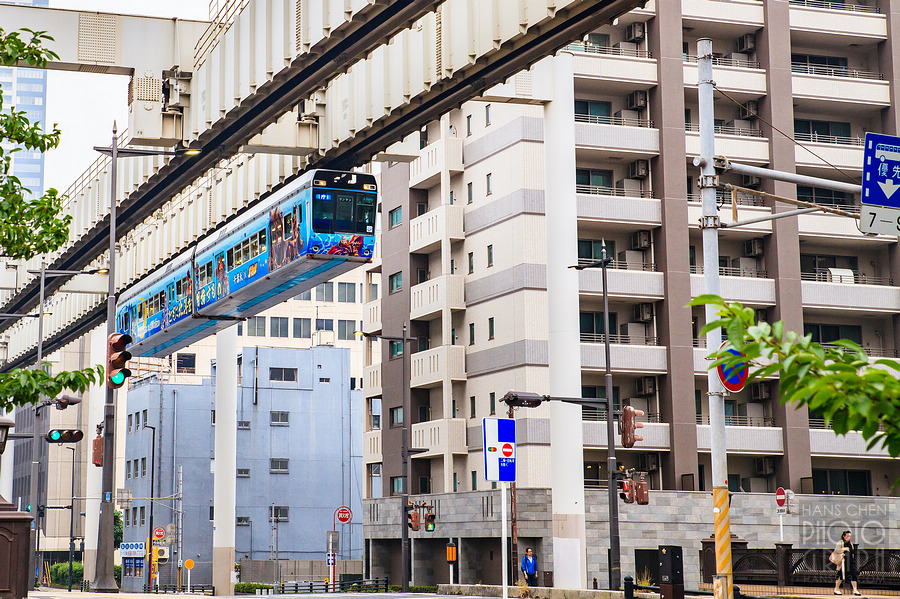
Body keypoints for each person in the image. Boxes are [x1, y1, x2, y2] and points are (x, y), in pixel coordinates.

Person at [830, 530, 861, 596]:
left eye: (850, 536)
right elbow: (836, 550)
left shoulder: (850, 543)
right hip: (843, 561)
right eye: (847, 536)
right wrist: (844, 549)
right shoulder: (840, 542)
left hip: (850, 561)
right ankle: (836, 588)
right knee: (840, 575)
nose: (849, 538)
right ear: (844, 536)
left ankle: (855, 589)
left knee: (853, 574)